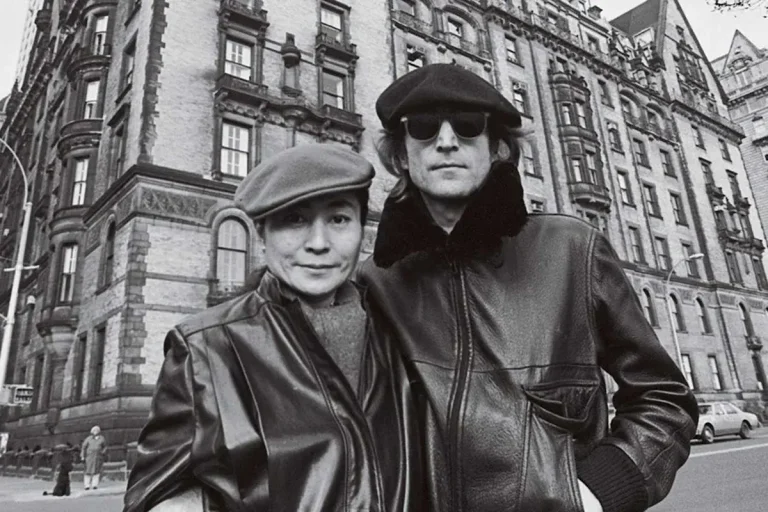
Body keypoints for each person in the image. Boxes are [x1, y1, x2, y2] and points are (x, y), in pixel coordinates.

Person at [359, 63, 699, 512]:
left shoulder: (573, 249)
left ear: (498, 148)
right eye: (422, 128)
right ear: (401, 154)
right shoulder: (373, 283)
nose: (445, 141)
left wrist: (596, 493)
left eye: (466, 126)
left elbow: (665, 398)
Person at [123, 144, 423, 512]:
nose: (318, 244)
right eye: (295, 220)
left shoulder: (404, 332)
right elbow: (155, 495)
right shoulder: (204, 349)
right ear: (262, 234)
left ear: (362, 228)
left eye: (339, 219)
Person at [81, 426, 107, 490]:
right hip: (89, 457)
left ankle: (94, 485)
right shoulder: (88, 439)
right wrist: (82, 456)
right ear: (92, 432)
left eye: (97, 430)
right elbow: (83, 448)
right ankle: (87, 485)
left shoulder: (102, 439)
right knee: (87, 471)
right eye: (94, 430)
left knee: (96, 471)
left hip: (98, 457)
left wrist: (102, 452)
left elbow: (105, 447)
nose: (95, 432)